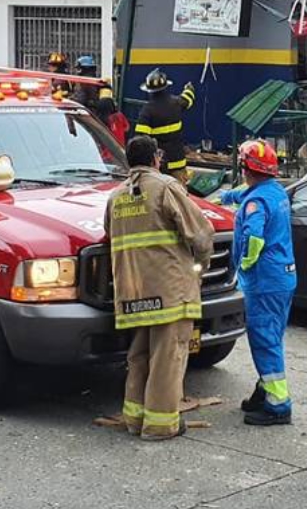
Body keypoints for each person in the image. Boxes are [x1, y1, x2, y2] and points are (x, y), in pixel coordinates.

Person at [104, 135, 214, 441]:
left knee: (139, 355)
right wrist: (201, 267)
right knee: (169, 356)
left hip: (132, 293)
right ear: (156, 159)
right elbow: (201, 234)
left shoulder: (116, 197)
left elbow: (109, 236)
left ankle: (134, 419)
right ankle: (160, 425)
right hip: (170, 291)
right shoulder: (165, 188)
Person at [220, 140, 296, 427]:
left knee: (264, 340)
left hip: (264, 280)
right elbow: (250, 194)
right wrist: (227, 197)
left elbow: (253, 238)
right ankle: (265, 389)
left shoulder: (256, 203)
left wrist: (243, 266)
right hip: (283, 278)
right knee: (272, 336)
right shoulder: (274, 192)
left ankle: (278, 406)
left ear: (244, 167)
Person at [134, 68, 196, 185]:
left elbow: (141, 139)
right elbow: (187, 100)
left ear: (149, 91)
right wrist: (189, 89)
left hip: (159, 166)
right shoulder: (176, 103)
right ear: (165, 87)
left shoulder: (147, 111)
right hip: (178, 163)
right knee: (179, 197)